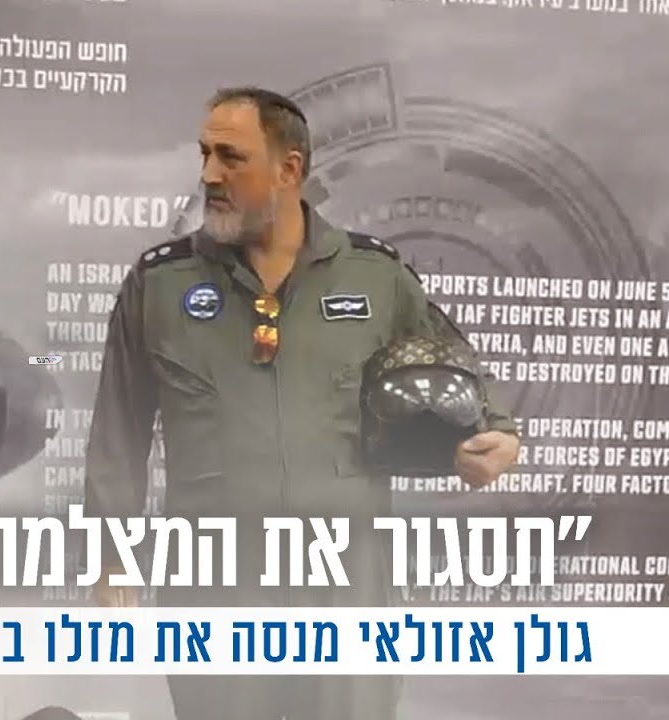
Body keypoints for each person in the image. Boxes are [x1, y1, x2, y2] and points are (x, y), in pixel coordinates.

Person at [81, 87, 521, 719]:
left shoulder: (375, 276)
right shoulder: (159, 285)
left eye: (230, 157)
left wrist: (497, 433)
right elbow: (117, 437)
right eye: (205, 154)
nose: (209, 175)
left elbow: (455, 366)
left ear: (289, 169)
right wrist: (110, 558)